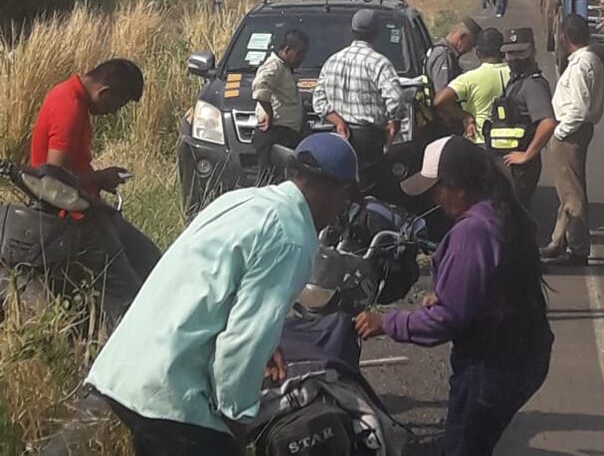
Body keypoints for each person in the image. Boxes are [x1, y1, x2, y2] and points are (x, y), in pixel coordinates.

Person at [87, 133, 358, 456]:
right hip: (174, 394)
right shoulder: (292, 237)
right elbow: (244, 339)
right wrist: (236, 418)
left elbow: (210, 283)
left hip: (128, 368)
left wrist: (266, 345)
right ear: (336, 191)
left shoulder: (243, 201)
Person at [355, 136, 552, 456]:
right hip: (525, 352)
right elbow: (496, 284)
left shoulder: (471, 232)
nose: (435, 198)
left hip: (493, 365)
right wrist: (449, 295)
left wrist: (387, 323)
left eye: (436, 188)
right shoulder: (503, 213)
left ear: (458, 185)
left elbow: (446, 321)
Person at [29, 59, 161, 323]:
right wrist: (100, 178)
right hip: (73, 219)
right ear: (105, 91)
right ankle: (131, 335)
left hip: (86, 208)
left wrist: (97, 182)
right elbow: (52, 177)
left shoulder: (69, 95)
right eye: (117, 105)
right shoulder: (70, 106)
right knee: (127, 289)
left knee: (150, 259)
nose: (113, 113)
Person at [541, 13, 604, 267]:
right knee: (567, 189)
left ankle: (578, 249)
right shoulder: (592, 60)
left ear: (566, 38)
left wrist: (558, 133)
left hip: (570, 133)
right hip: (577, 130)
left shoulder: (580, 66)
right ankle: (558, 240)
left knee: (572, 193)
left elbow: (578, 108)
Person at [313, 9, 403, 187]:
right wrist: (394, 123)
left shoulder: (332, 60)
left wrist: (338, 121)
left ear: (351, 31)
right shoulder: (379, 63)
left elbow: (318, 101)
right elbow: (396, 100)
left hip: (340, 137)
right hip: (369, 141)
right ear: (376, 33)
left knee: (342, 189)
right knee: (371, 189)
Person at [490, 27, 557, 210]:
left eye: (521, 52)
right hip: (506, 164)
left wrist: (527, 154)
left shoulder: (533, 85)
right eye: (510, 53)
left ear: (533, 51)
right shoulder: (516, 81)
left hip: (519, 169)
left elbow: (548, 122)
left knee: (516, 218)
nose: (515, 58)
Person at [433, 27, 509, 143]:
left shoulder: (469, 79)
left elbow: (439, 100)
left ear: (478, 52)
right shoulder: (517, 74)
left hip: (482, 142)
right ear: (503, 52)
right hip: (515, 143)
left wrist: (464, 116)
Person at [251, 28, 309, 146]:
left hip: (288, 133)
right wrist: (268, 113)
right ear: (287, 50)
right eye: (299, 54)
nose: (301, 58)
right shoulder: (274, 66)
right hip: (276, 133)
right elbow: (260, 85)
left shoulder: (285, 69)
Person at [424, 18, 481, 98]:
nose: (470, 50)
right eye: (471, 44)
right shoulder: (443, 55)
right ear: (462, 38)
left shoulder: (446, 53)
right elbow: (442, 94)